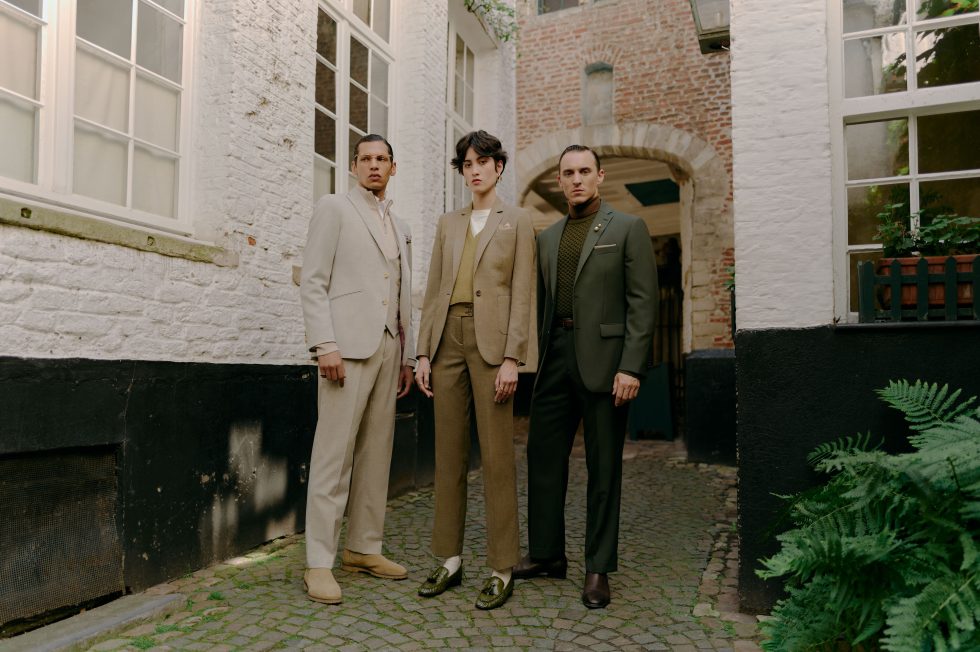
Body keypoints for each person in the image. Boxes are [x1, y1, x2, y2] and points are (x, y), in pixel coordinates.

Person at [513, 144, 658, 609]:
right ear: (559, 181)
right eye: (568, 173)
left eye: (584, 171)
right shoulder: (548, 238)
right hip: (555, 357)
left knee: (604, 467)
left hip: (606, 363)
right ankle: (547, 554)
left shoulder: (628, 228)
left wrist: (631, 366)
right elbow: (542, 303)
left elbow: (643, 303)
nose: (576, 179)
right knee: (542, 456)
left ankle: (598, 567)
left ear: (600, 176)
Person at [414, 130, 535, 610]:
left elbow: (523, 292)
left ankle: (502, 567)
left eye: (483, 162)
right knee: (448, 455)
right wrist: (423, 353)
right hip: (447, 339)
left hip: (492, 347)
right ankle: (449, 560)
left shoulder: (517, 220)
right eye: (467, 164)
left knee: (498, 459)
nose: (475, 170)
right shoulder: (448, 223)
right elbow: (433, 290)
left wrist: (512, 358)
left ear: (498, 167)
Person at [299, 134, 415, 605]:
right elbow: (313, 280)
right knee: (334, 456)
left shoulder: (401, 225)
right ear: (353, 166)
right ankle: (318, 562)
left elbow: (403, 289)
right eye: (365, 159)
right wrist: (324, 343)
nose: (374, 165)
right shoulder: (334, 208)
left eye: (382, 159)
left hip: (388, 348)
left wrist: (408, 354)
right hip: (344, 350)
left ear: (393, 167)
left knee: (376, 454)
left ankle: (363, 548)